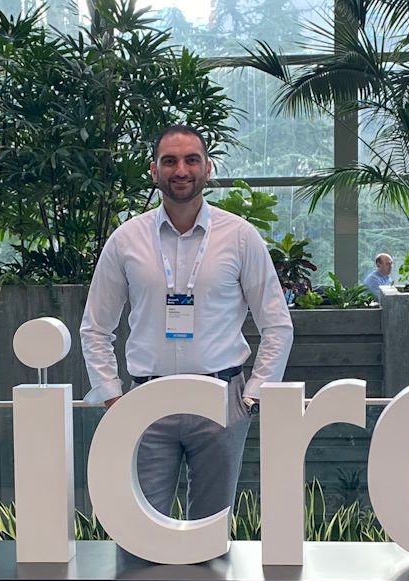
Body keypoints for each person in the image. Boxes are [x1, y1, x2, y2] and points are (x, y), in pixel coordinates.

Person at [79, 124, 293, 522]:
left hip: (222, 398)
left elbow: (277, 325)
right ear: (153, 170)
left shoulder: (241, 237)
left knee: (211, 537)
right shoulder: (126, 240)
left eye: (191, 159)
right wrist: (112, 397)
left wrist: (253, 396)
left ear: (208, 168)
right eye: (170, 161)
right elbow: (95, 327)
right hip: (145, 402)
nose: (181, 170)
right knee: (139, 530)